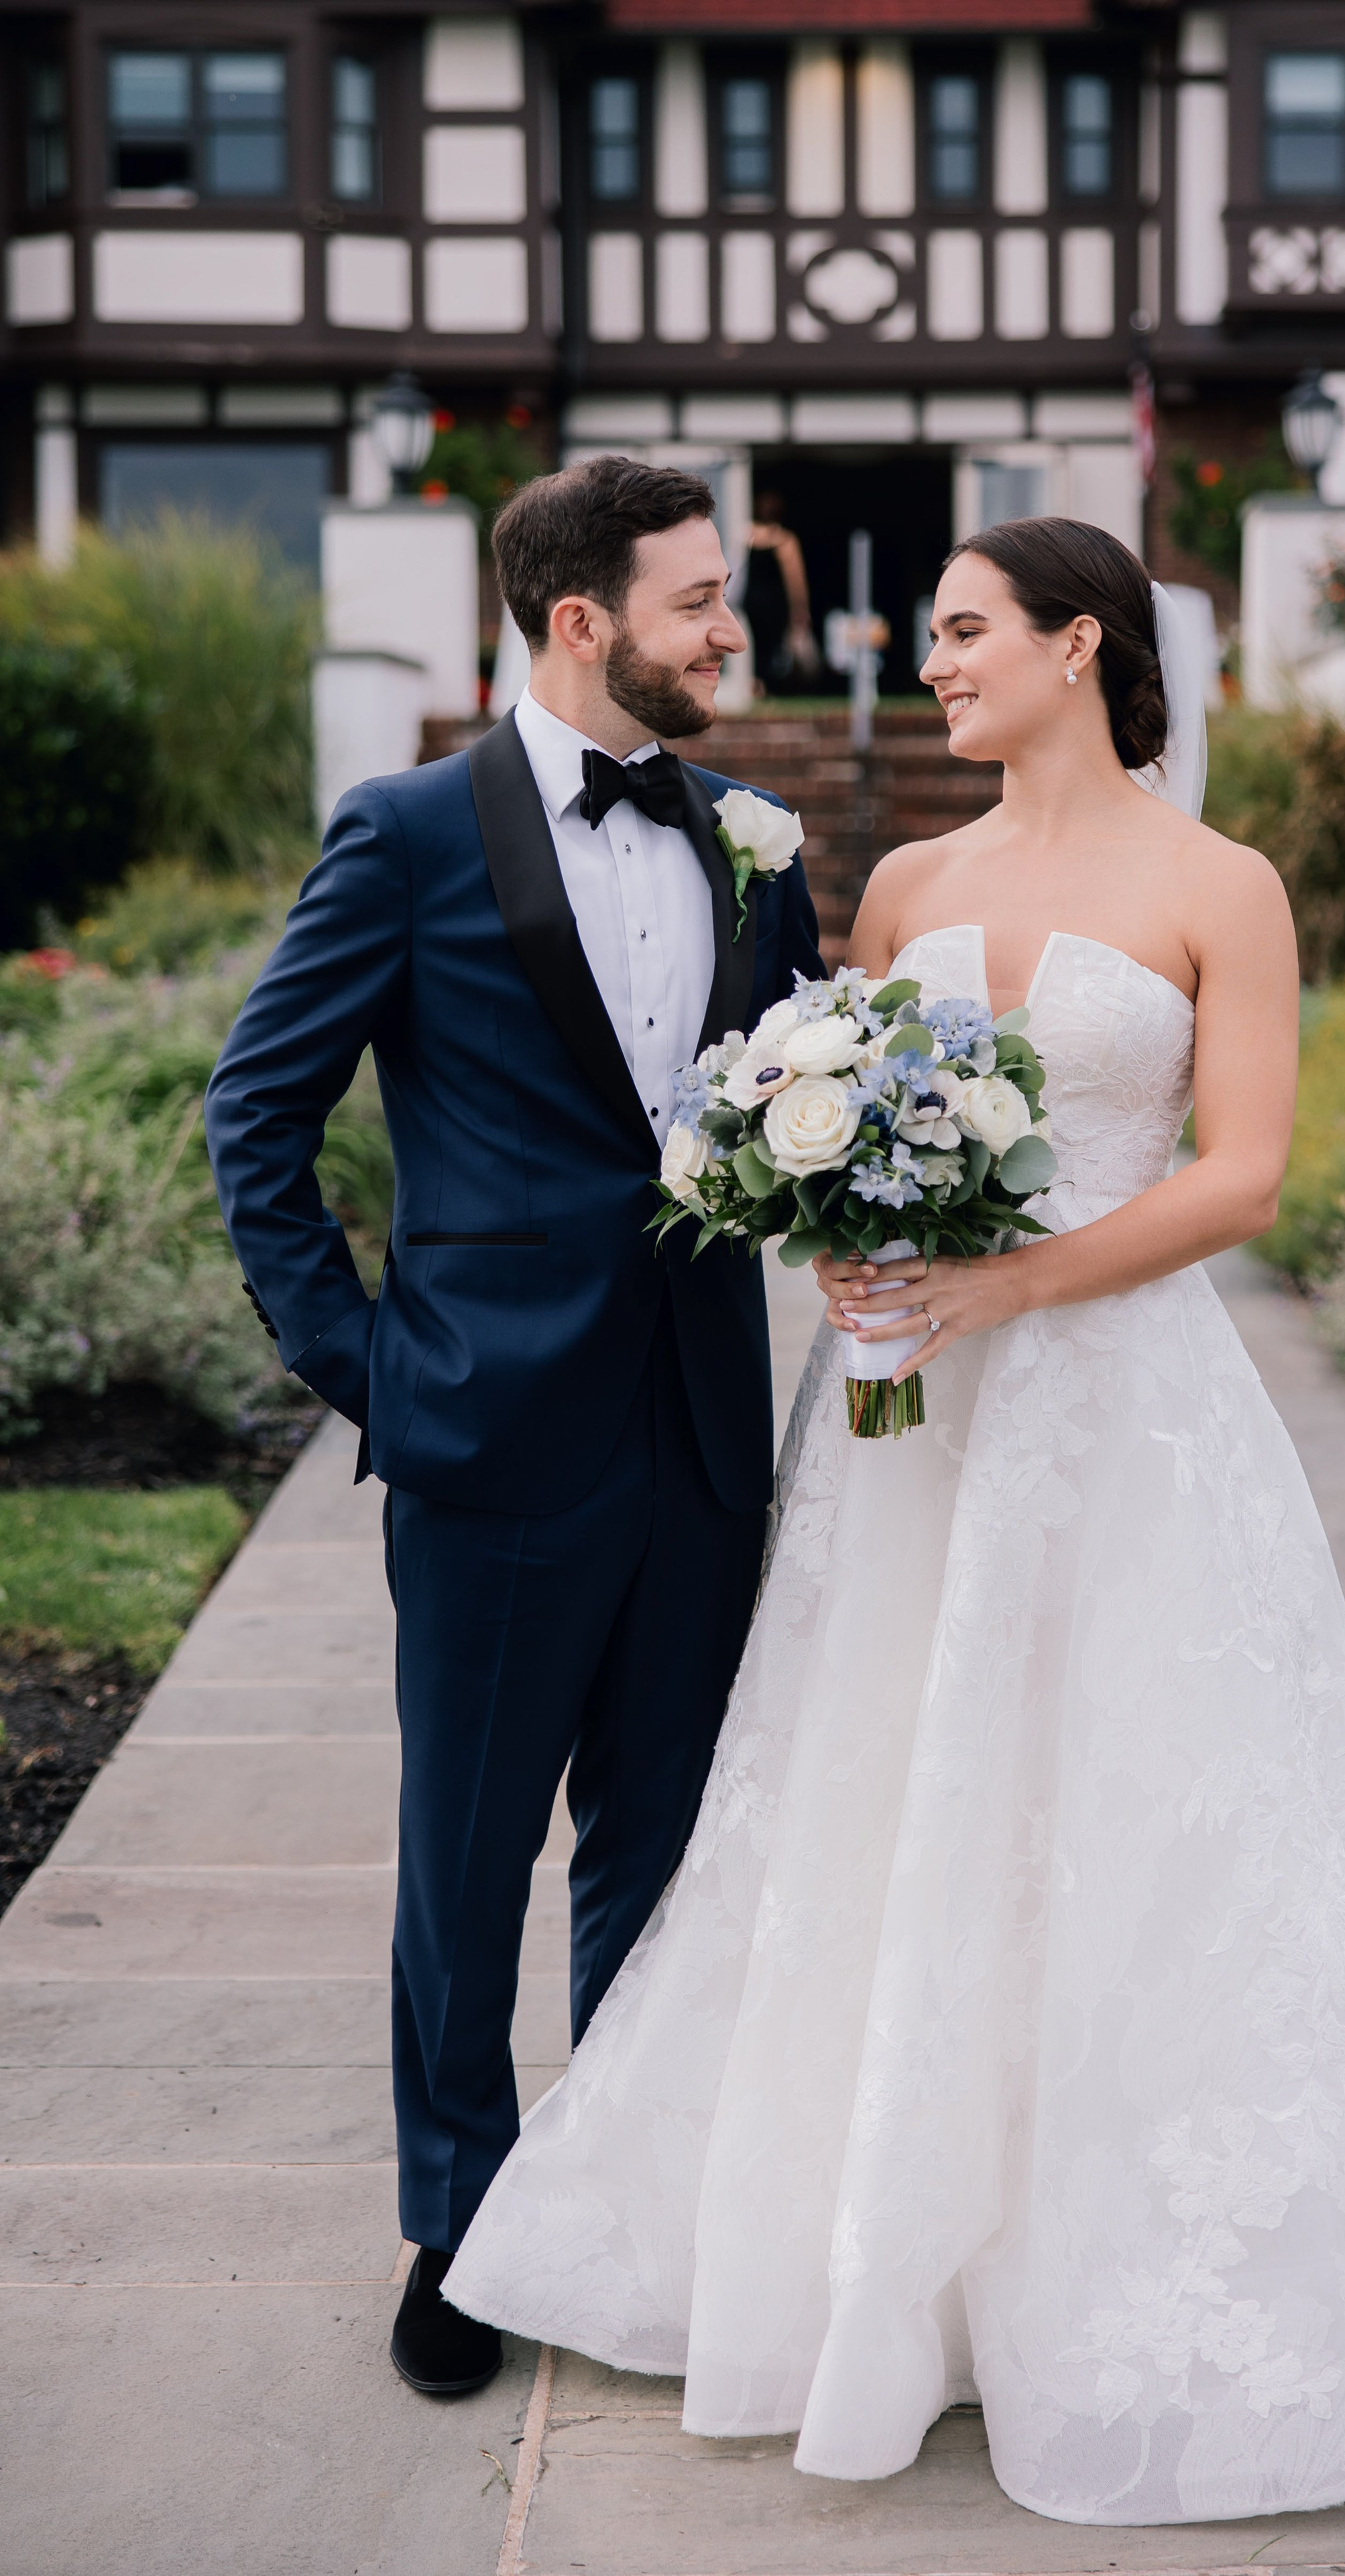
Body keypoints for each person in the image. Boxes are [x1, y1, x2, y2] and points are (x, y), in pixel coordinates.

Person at [444, 517, 1345, 2526]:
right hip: (904, 1420)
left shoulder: (1223, 884)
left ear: (1076, 641)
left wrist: (1007, 1287)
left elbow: (1244, 1175)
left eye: (956, 631)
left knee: (1127, 1805)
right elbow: (845, 1109)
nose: (923, 657)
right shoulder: (907, 883)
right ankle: (877, 2253)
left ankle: (1097, 2253)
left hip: (1124, 1413)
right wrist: (843, 1241)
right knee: (880, 1781)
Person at [202, 457, 825, 2400]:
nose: (736, 630)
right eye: (703, 601)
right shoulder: (401, 834)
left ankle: (619, 2211)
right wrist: (374, 1372)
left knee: (655, 1847)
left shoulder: (754, 838)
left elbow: (794, 1101)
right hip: (489, 1437)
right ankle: (455, 2225)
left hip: (707, 1436)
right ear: (584, 621)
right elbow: (256, 1121)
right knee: (465, 1866)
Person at [743, 490, 819, 692]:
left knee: (755, 646)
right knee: (774, 648)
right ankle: (769, 686)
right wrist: (801, 609)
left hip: (751, 600)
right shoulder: (784, 540)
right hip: (774, 604)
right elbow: (795, 580)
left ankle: (759, 685)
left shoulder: (747, 535)